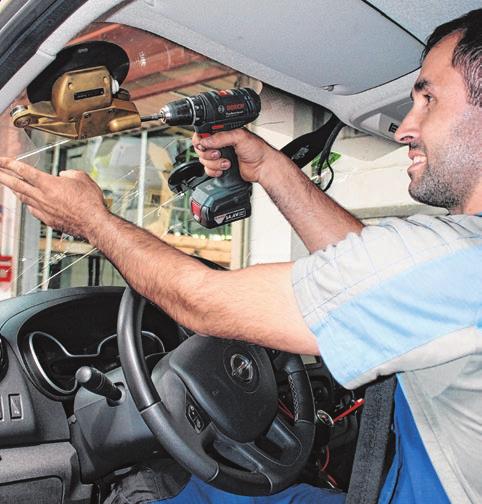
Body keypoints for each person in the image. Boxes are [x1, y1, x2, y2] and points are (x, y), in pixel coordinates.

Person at [0, 8, 481, 504]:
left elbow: (202, 303)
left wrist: (91, 221)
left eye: (428, 98)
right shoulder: (454, 259)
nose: (406, 127)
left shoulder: (462, 261)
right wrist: (269, 166)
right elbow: (372, 267)